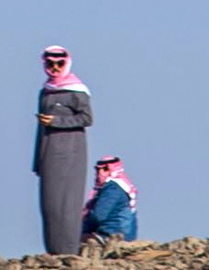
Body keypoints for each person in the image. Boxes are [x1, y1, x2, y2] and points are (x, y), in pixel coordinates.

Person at [30, 46, 92, 254]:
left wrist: (57, 121)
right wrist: (38, 161)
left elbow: (86, 118)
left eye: (59, 64)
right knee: (50, 206)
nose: (54, 68)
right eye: (50, 64)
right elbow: (40, 129)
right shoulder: (45, 91)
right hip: (49, 154)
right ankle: (53, 251)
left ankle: (68, 252)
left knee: (67, 205)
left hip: (70, 152)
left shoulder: (77, 90)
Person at [81, 155, 137, 245]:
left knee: (71, 241)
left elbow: (98, 215)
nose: (100, 172)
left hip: (111, 235)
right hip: (125, 236)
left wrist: (81, 229)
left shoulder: (113, 189)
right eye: (97, 169)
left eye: (105, 169)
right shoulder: (119, 187)